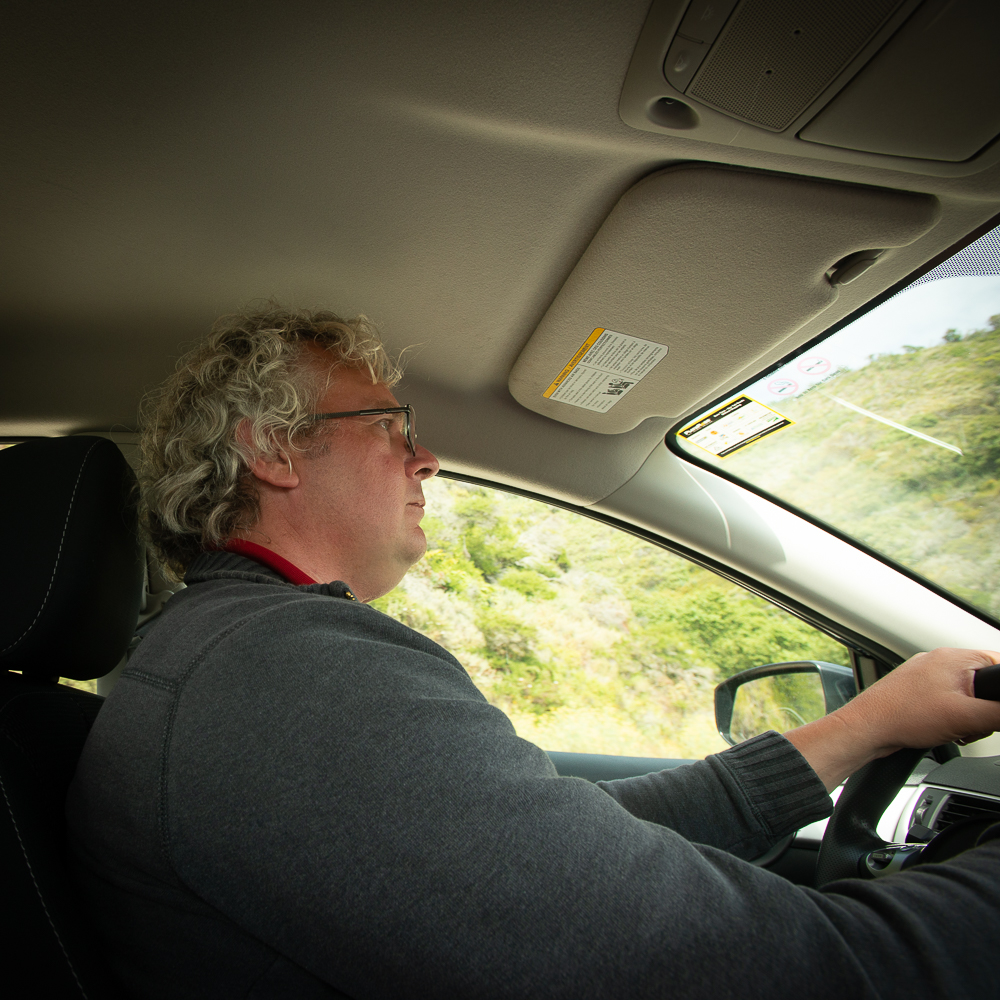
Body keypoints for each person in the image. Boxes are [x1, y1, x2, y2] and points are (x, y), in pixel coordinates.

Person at [67, 306, 1000, 999]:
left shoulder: (232, 657)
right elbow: (763, 973)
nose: (425, 459)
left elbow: (561, 849)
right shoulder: (287, 671)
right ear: (273, 449)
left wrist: (869, 724)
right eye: (391, 426)